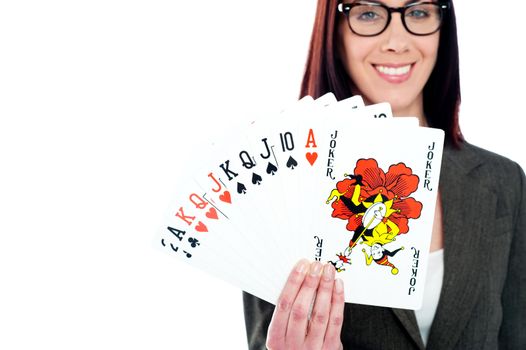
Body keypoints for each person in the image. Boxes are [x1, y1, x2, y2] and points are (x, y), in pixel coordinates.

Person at [242, 0, 526, 349]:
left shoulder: (503, 181)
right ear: (334, 31)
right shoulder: (284, 187)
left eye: (419, 12)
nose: (397, 41)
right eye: (369, 13)